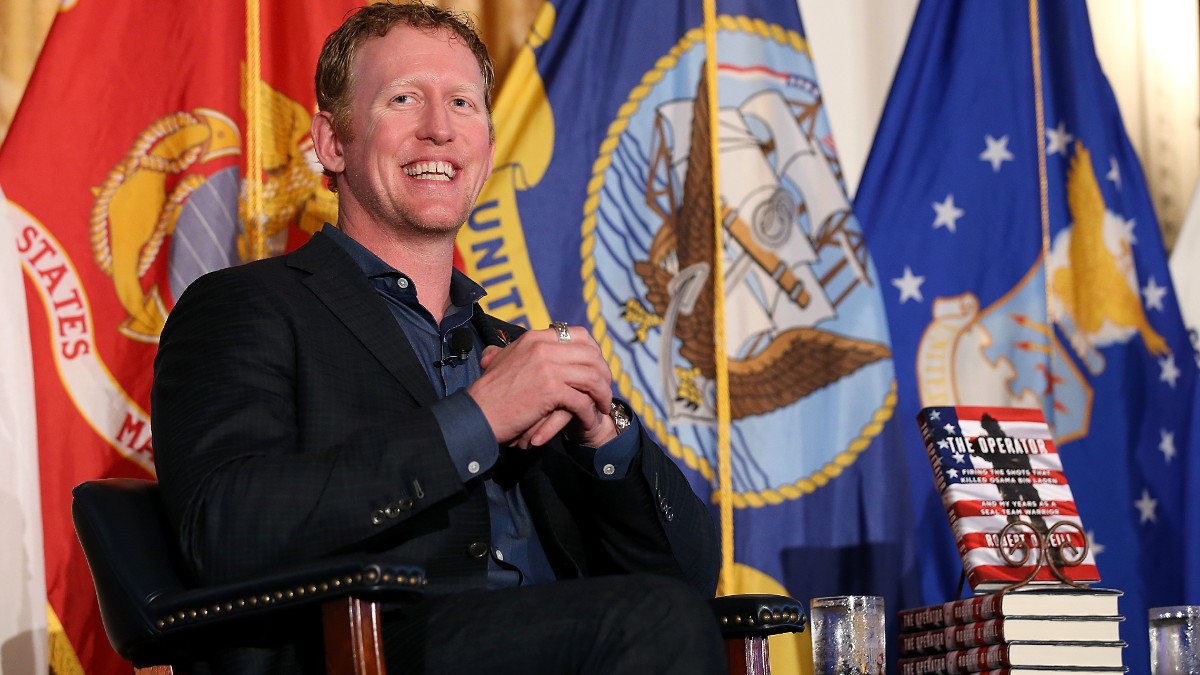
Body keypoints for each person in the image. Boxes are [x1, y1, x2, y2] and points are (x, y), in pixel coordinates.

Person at [151, 2, 724, 673]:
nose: (439, 129)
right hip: (366, 649)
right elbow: (225, 528)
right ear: (333, 142)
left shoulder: (512, 349)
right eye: (404, 99)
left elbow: (689, 580)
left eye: (462, 102)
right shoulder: (244, 306)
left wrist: (606, 436)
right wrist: (479, 418)